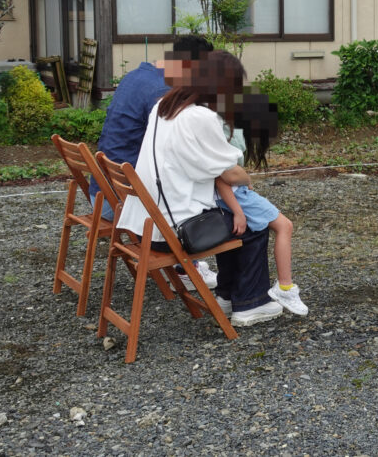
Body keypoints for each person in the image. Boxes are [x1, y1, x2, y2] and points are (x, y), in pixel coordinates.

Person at [116, 51, 282, 327]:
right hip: (177, 231)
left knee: (231, 218)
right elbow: (229, 171)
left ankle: (227, 296)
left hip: (147, 225)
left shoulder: (163, 106)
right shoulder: (200, 116)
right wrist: (248, 178)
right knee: (254, 223)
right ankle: (252, 303)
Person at [90, 35, 219, 290]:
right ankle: (185, 267)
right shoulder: (164, 93)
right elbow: (182, 154)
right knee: (211, 193)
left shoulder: (138, 75)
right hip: (125, 207)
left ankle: (183, 262)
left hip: (103, 193)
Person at [214, 89, 309, 316]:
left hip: (230, 195)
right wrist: (238, 211)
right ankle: (285, 286)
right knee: (284, 225)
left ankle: (227, 295)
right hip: (234, 197)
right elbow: (220, 177)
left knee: (271, 225)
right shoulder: (230, 132)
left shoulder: (219, 124)